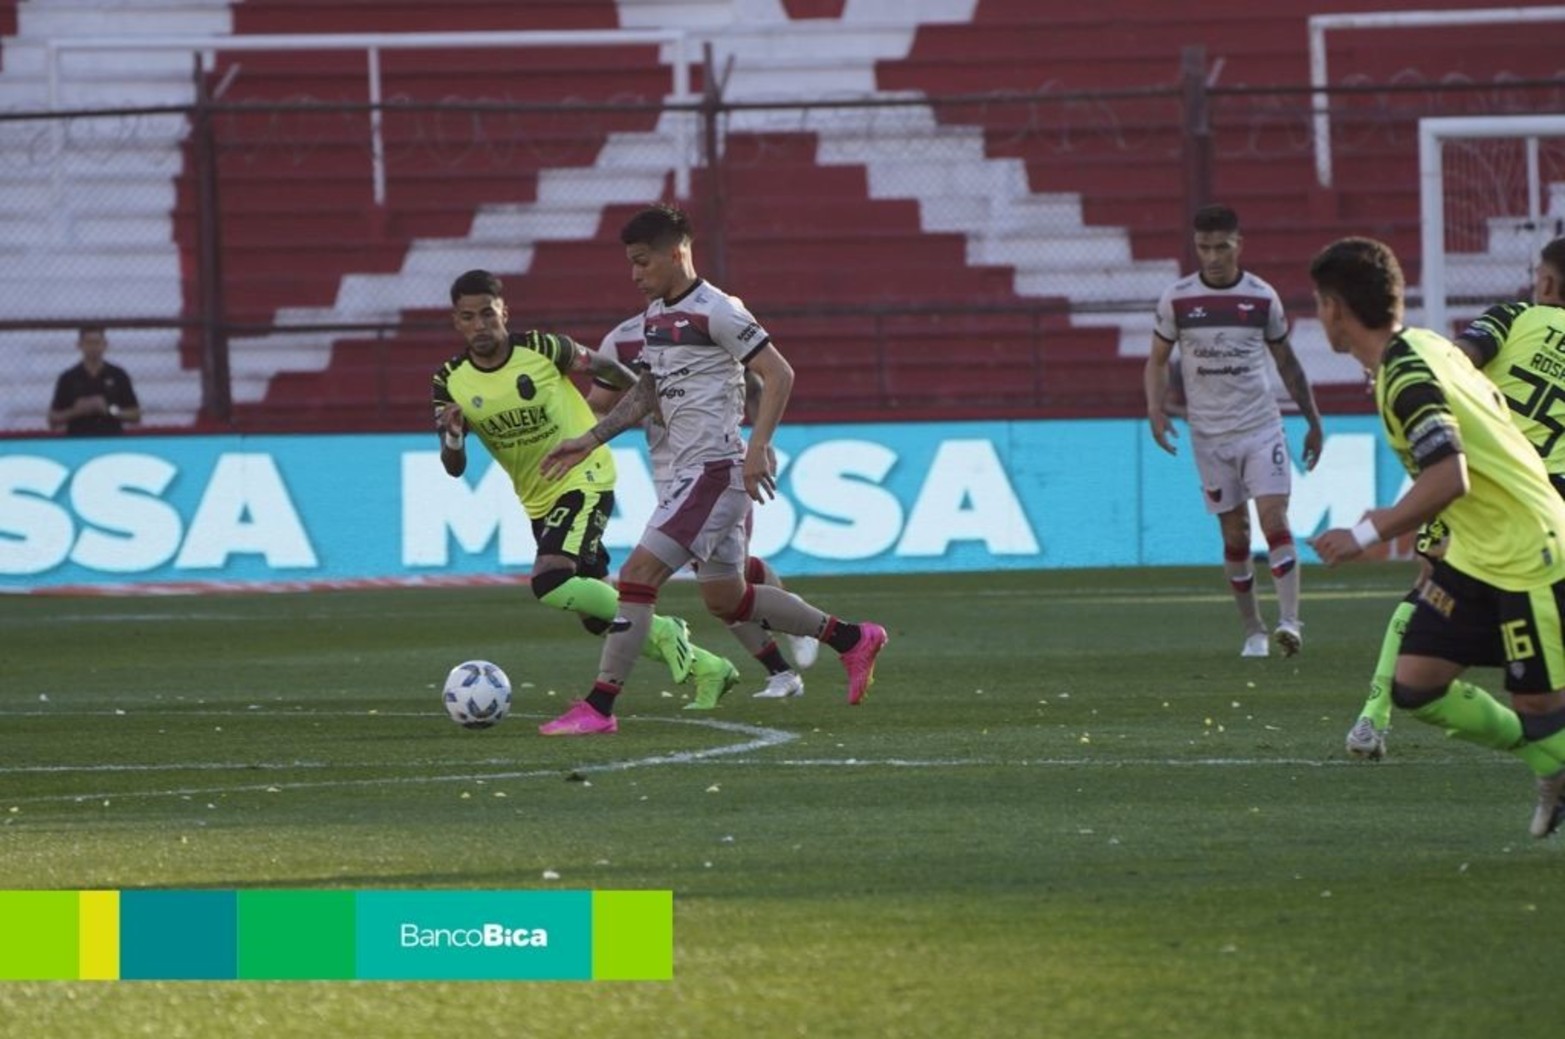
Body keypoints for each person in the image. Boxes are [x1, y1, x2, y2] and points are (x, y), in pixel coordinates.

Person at [536, 204, 888, 736]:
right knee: (727, 598)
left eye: (641, 262)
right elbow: (646, 394)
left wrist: (758, 446)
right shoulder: (657, 315)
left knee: (635, 578)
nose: (634, 275)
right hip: (692, 475)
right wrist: (588, 439)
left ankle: (599, 707)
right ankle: (852, 638)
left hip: (712, 471)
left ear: (675, 253)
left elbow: (778, 372)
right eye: (629, 264)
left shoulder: (717, 310)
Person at [1308, 236, 1565, 838]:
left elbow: (1451, 473)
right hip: (1480, 549)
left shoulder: (1408, 375)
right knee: (1416, 683)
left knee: (1540, 710)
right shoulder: (1423, 347)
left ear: (1337, 309)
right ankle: (1548, 766)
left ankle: (1552, 757)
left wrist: (1364, 532)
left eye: (1320, 303)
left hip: (1527, 548)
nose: (1319, 315)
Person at [431, 269, 739, 707]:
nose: (480, 326)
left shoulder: (542, 348)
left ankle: (668, 630)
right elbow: (453, 467)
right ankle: (707, 666)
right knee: (597, 616)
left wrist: (647, 404)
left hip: (585, 474)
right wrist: (455, 436)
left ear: (504, 312)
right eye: (468, 317)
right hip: (537, 497)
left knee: (551, 579)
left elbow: (607, 368)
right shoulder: (449, 380)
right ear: (456, 322)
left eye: (488, 314)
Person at [595, 312, 818, 704]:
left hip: (716, 468)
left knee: (711, 578)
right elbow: (598, 403)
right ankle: (794, 633)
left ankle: (790, 646)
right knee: (725, 580)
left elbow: (755, 382)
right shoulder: (621, 341)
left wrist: (761, 444)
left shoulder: (702, 320)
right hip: (669, 474)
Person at [1144, 204, 1324, 658]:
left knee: (1274, 519)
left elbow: (1287, 362)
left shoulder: (1262, 298)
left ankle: (1289, 622)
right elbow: (1157, 360)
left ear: (1238, 245)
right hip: (1210, 436)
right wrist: (1155, 408)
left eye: (1222, 247)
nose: (1213, 257)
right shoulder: (1177, 300)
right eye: (1204, 248)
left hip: (1261, 427)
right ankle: (1253, 631)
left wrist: (1313, 419)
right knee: (1235, 536)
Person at [48, 325, 142, 436]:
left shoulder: (118, 375)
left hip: (111, 439)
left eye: (97, 343)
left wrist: (109, 410)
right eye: (88, 343)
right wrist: (75, 411)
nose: (93, 347)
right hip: (77, 440)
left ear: (105, 345)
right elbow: (53, 418)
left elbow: (135, 415)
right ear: (79, 345)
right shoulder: (68, 378)